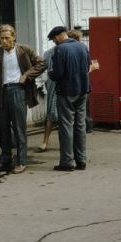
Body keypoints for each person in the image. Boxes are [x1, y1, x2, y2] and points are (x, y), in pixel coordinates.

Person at [0, 25, 46, 174]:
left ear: (14, 37)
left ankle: (21, 161)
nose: (4, 41)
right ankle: (5, 159)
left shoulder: (24, 50)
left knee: (19, 128)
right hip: (1, 92)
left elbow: (42, 63)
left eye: (7, 38)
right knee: (2, 128)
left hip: (18, 90)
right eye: (1, 38)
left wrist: (27, 75)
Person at [47, 26, 91, 171]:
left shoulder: (60, 50)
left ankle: (67, 161)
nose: (54, 42)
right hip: (83, 90)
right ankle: (81, 160)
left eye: (54, 39)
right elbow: (88, 66)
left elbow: (57, 73)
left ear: (59, 36)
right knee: (80, 125)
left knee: (66, 126)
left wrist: (50, 72)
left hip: (66, 91)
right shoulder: (82, 47)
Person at [67, 28, 98, 133]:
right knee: (84, 108)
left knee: (73, 109)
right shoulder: (83, 48)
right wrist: (93, 67)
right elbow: (88, 66)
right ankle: (87, 127)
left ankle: (78, 128)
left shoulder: (65, 49)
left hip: (71, 85)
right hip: (84, 83)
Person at [36, 43, 58, 153]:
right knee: (52, 114)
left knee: (52, 115)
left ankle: (45, 142)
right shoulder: (49, 53)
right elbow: (41, 66)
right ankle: (45, 141)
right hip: (55, 85)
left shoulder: (48, 52)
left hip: (56, 85)